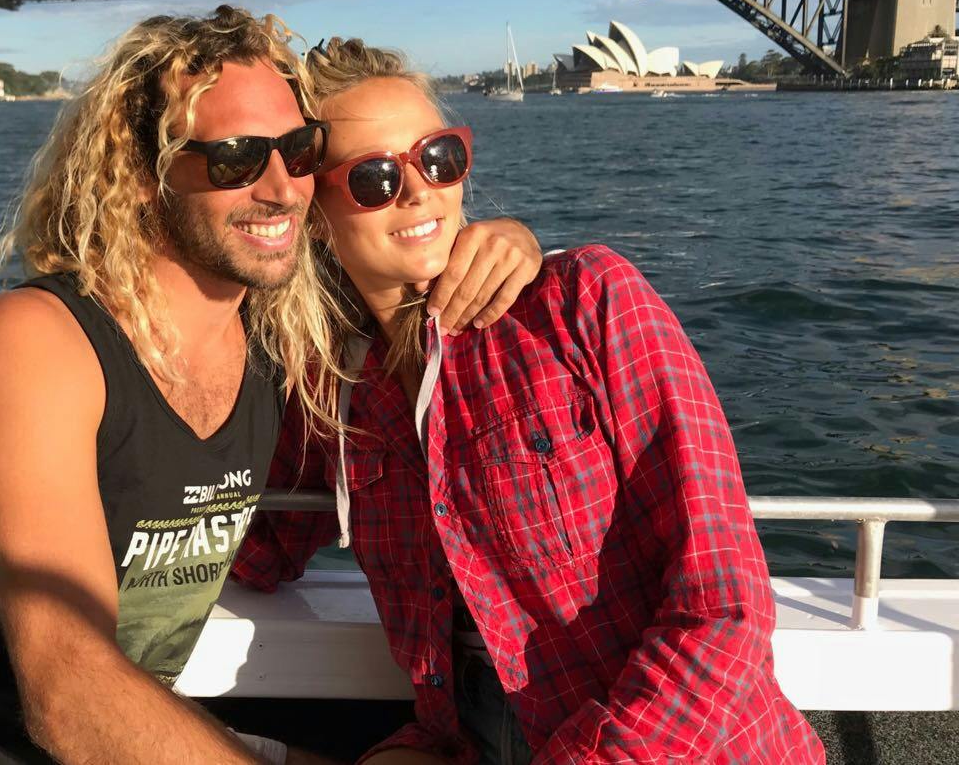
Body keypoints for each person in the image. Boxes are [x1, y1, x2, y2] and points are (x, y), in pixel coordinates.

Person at [0, 8, 544, 765]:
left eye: (298, 151)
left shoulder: (281, 351)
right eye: (235, 158)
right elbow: (70, 691)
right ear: (141, 175)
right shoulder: (38, 344)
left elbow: (393, 266)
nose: (281, 188)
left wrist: (509, 248)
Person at [232, 38, 826, 765]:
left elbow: (724, 603)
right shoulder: (337, 396)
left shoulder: (583, 302)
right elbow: (255, 552)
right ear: (314, 209)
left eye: (438, 157)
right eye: (374, 177)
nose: (419, 191)